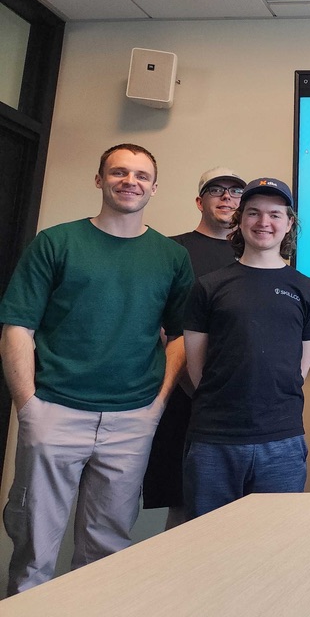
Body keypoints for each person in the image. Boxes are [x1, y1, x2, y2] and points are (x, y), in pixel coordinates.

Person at [0, 144, 193, 595]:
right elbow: (17, 327)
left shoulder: (170, 257)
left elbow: (180, 336)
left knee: (107, 550)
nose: (131, 182)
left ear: (155, 187)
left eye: (142, 175)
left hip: (131, 419)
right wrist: (28, 406)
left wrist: (156, 405)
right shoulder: (56, 242)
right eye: (119, 172)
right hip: (55, 411)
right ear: (99, 179)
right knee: (34, 551)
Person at [182, 177, 310, 519]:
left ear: (289, 223)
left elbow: (299, 369)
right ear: (240, 219)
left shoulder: (308, 289)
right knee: (207, 542)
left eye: (275, 214)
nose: (264, 222)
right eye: (254, 213)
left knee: (274, 546)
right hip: (215, 440)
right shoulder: (208, 287)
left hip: (282, 440)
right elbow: (197, 368)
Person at [143, 166, 245, 529]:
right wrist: (190, 384)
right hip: (182, 396)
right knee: (184, 503)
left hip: (238, 400)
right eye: (217, 190)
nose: (227, 198)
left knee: (242, 508)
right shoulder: (171, 250)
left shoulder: (257, 255)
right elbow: (157, 322)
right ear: (199, 201)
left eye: (235, 192)